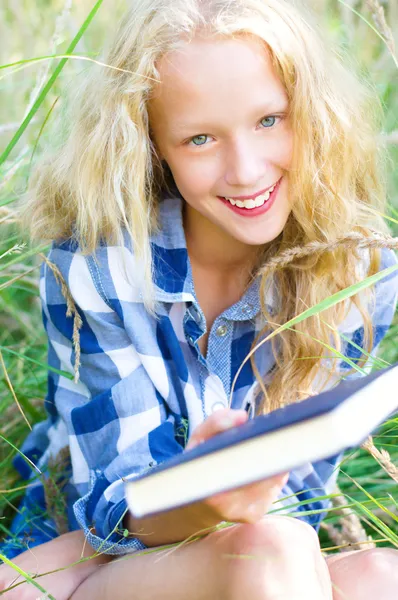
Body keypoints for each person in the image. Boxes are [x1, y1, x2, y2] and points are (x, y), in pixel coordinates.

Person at [1, 0, 398, 598]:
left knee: (377, 575)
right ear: (153, 145)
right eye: (200, 138)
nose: (245, 170)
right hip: (103, 545)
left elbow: (296, 498)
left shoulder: (356, 269)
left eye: (270, 120)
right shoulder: (98, 268)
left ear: (314, 113)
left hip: (251, 546)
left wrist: (234, 494)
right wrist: (204, 492)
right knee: (273, 550)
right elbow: (116, 508)